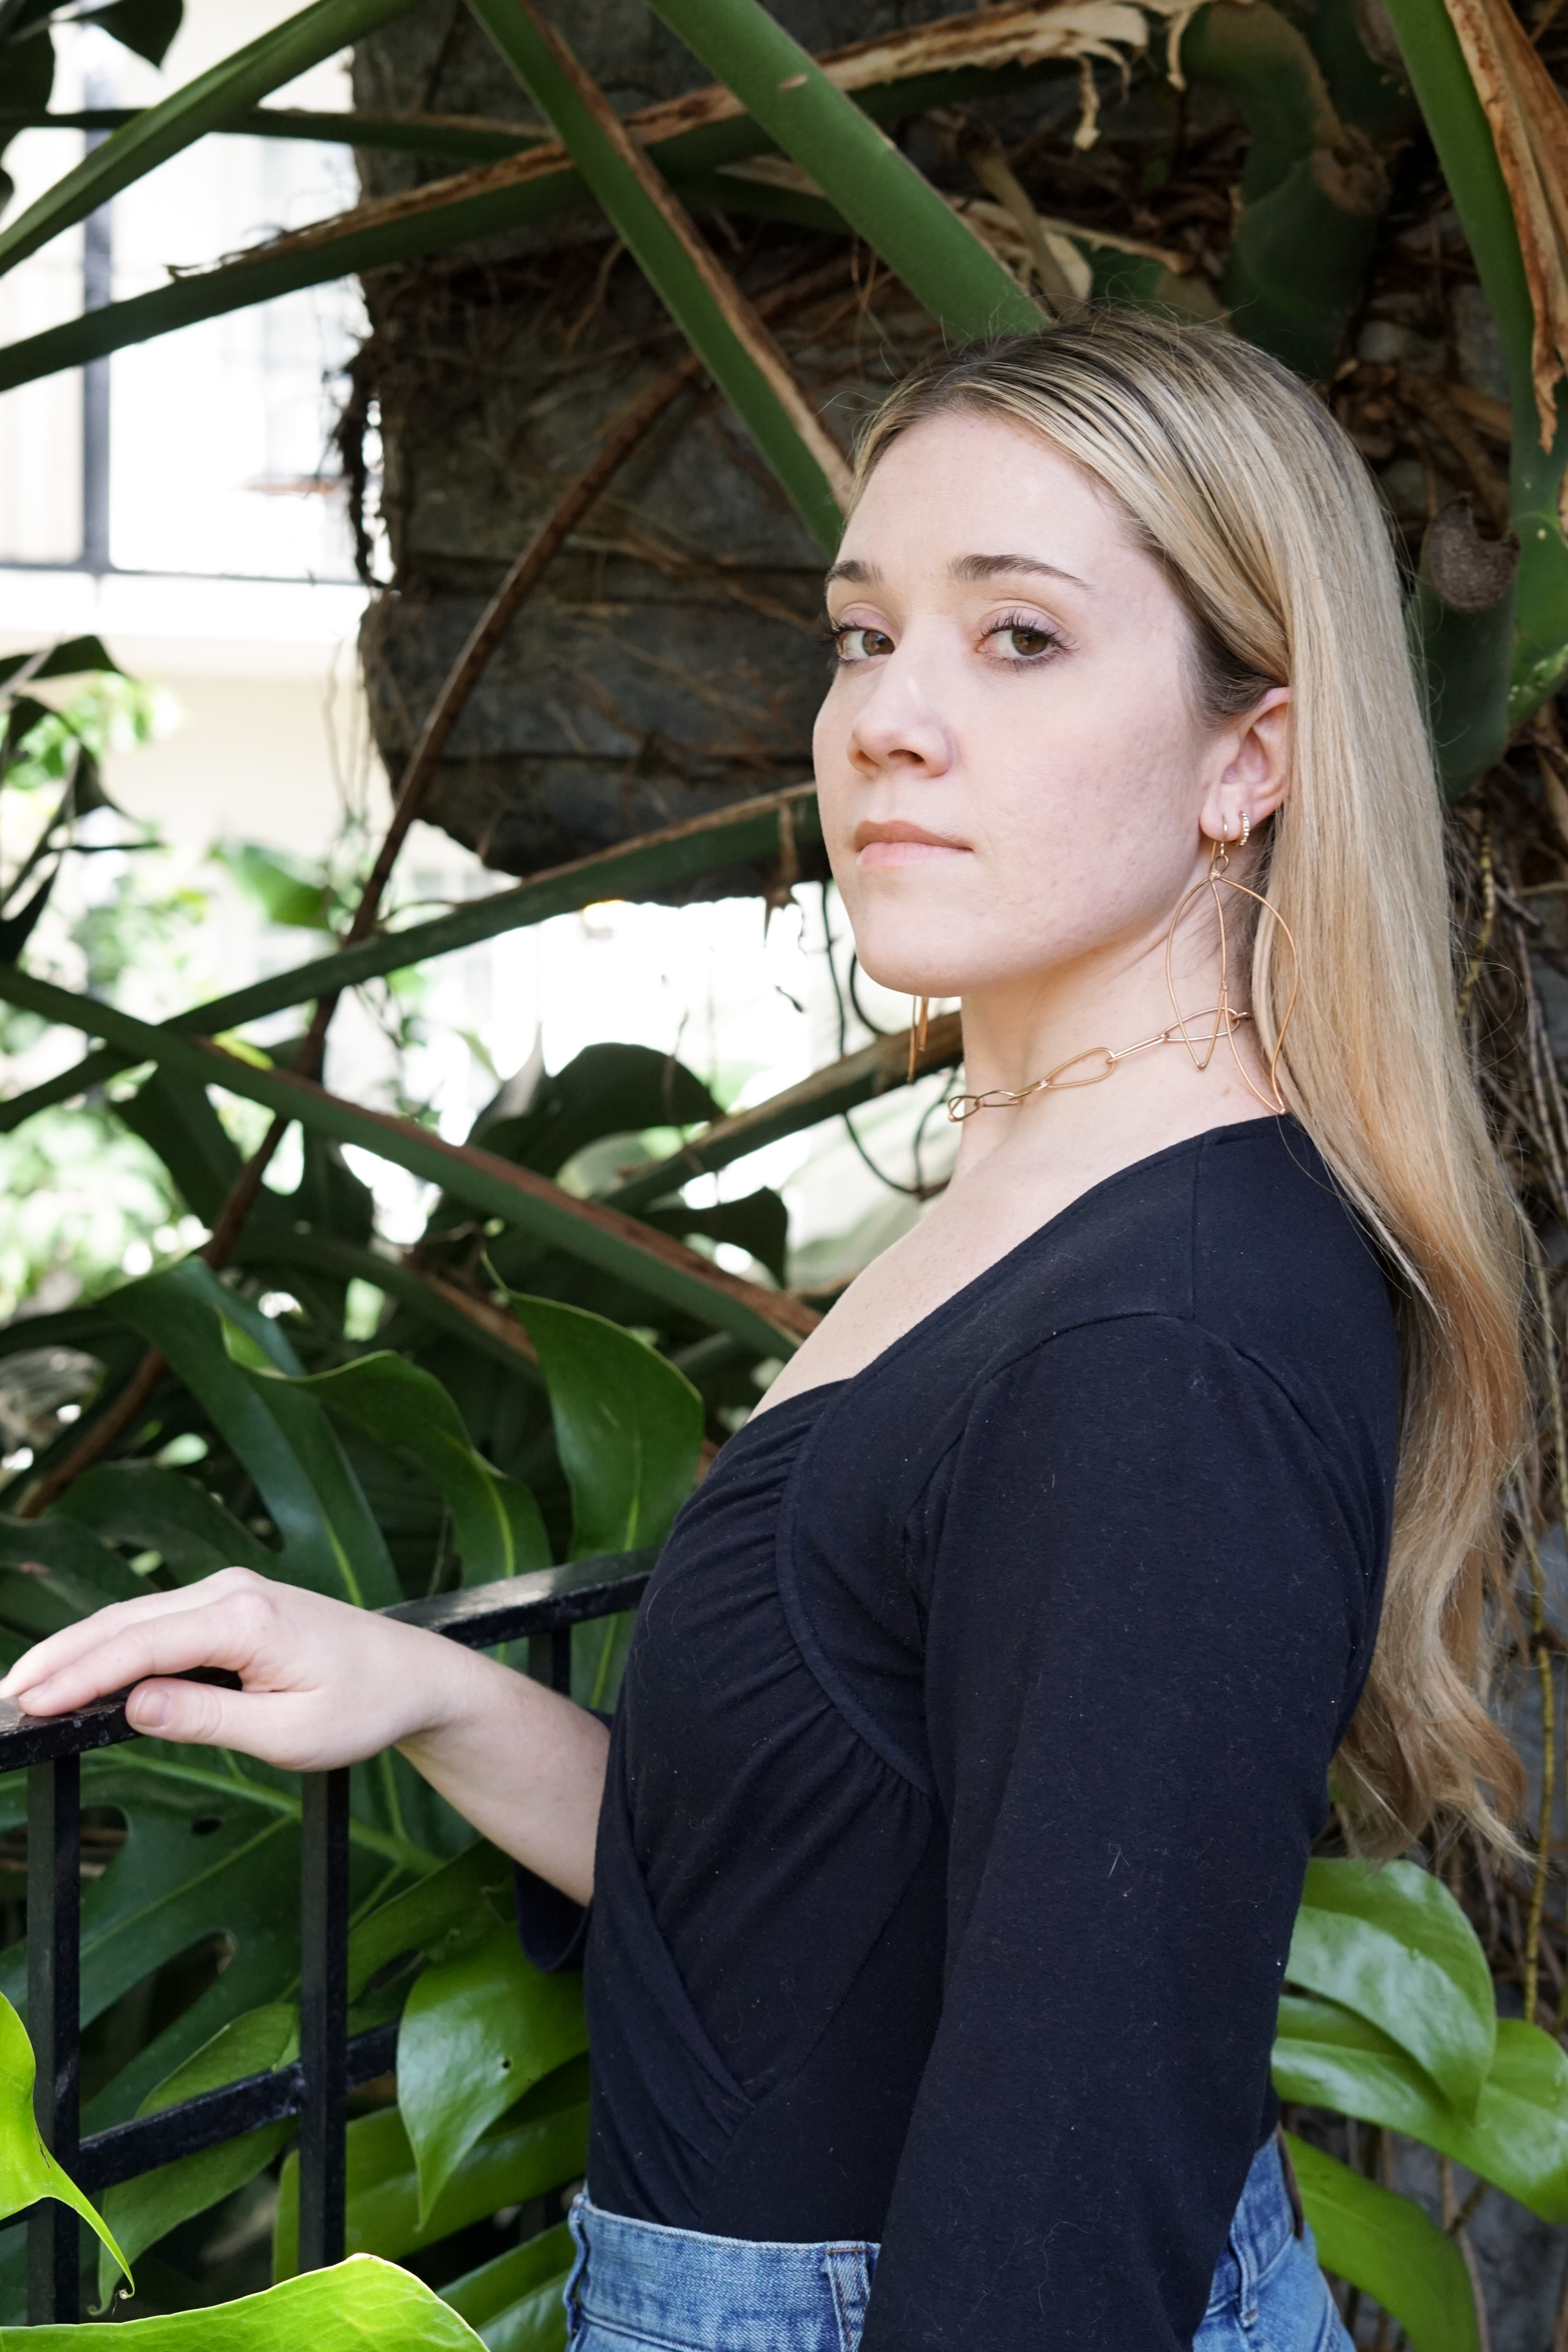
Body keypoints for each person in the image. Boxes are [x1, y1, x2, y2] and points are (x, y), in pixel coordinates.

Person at [2, 312, 1527, 2352]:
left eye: (1020, 638)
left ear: (1251, 752)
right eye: (862, 634)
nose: (890, 716)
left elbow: (1069, 2209)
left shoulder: (1160, 1347)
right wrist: (425, 1687)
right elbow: (824, 1914)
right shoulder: (1058, 1190)